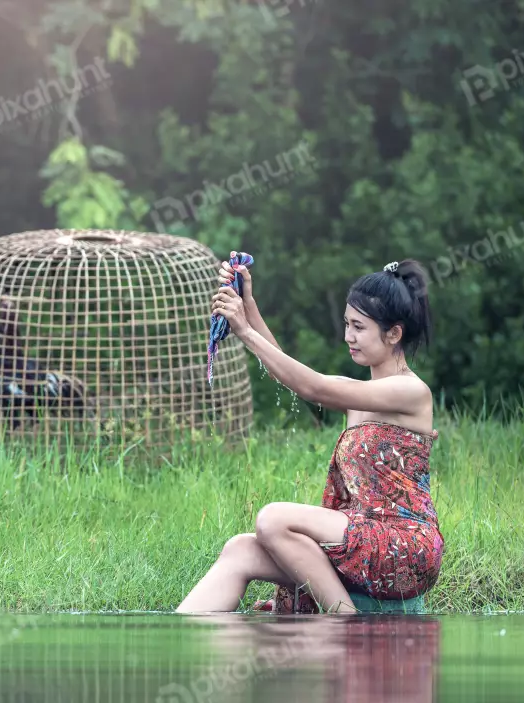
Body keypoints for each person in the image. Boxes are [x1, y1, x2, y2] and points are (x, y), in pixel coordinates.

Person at [175, 258, 442, 614]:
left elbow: (312, 385)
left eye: (359, 327)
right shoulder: (358, 395)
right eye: (347, 324)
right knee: (241, 548)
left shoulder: (412, 392)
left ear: (394, 333)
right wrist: (249, 304)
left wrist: (244, 329)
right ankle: (182, 644)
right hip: (360, 537)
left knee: (273, 519)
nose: (348, 336)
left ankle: (341, 617)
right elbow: (292, 373)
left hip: (402, 545)